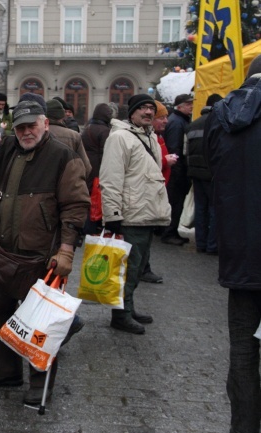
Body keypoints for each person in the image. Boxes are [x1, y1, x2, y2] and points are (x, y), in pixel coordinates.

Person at [0, 100, 89, 406]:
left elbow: (75, 206)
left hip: (40, 254)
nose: (26, 131)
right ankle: (6, 372)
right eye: (20, 126)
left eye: (32, 125)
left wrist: (67, 249)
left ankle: (39, 383)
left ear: (46, 123)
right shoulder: (4, 148)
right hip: (0, 248)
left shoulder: (63, 155)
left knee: (40, 322)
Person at [204, 55, 261, 433]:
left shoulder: (219, 116)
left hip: (240, 255)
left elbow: (212, 171)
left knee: (242, 350)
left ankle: (242, 427)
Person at [100, 94, 171, 335]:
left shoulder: (150, 136)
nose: (149, 112)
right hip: (130, 214)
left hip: (146, 213)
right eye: (143, 108)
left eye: (152, 108)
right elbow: (111, 177)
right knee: (128, 269)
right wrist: (113, 214)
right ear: (132, 113)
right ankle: (120, 314)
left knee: (138, 267)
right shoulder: (120, 137)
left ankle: (127, 307)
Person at [138, 101, 177, 285]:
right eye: (161, 117)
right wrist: (164, 161)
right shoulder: (145, 138)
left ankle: (143, 268)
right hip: (145, 195)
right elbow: (146, 165)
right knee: (142, 235)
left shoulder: (156, 136)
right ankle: (141, 269)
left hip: (155, 192)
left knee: (147, 234)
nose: (165, 121)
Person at [186, 94, 222, 255]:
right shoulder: (218, 123)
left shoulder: (193, 125)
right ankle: (212, 245)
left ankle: (200, 243)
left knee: (200, 208)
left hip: (195, 172)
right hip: (212, 173)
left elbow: (186, 151)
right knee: (214, 209)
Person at [161, 93, 193, 246]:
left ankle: (170, 231)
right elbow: (175, 149)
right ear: (179, 106)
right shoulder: (177, 122)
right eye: (188, 104)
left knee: (174, 202)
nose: (191, 106)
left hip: (176, 170)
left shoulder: (178, 120)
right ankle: (169, 232)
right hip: (176, 171)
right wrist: (179, 172)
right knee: (175, 202)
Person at [81, 102, 117, 235]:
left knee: (88, 196)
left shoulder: (87, 128)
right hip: (98, 169)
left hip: (87, 166)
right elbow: (105, 153)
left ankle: (85, 225)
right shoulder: (105, 131)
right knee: (97, 199)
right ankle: (93, 225)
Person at [45, 99, 91, 176]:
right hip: (69, 182)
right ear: (62, 116)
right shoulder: (74, 136)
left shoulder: (38, 134)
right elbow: (86, 167)